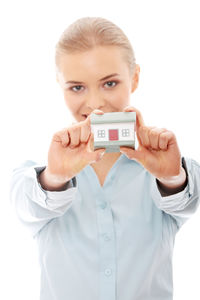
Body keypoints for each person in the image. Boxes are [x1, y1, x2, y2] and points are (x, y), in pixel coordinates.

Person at [9, 17, 200, 300]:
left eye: (109, 83)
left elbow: (188, 199)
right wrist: (54, 178)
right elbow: (25, 206)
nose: (96, 103)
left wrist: (172, 177)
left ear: (134, 78)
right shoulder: (37, 176)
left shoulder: (162, 169)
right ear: (60, 85)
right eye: (77, 87)